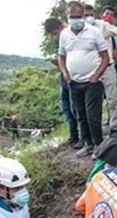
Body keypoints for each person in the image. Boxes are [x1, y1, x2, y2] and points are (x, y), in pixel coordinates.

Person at [58, 1, 110, 157]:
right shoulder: (64, 34)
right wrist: (66, 74)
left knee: (93, 116)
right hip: (74, 82)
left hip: (92, 82)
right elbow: (61, 57)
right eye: (72, 17)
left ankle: (99, 147)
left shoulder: (94, 32)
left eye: (78, 16)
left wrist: (96, 76)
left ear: (83, 16)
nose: (76, 20)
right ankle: (88, 144)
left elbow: (105, 57)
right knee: (80, 115)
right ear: (67, 17)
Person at [83, 4, 117, 129]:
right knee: (93, 101)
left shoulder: (103, 26)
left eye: (91, 15)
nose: (88, 18)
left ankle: (114, 126)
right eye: (86, 15)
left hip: (107, 67)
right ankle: (94, 128)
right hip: (91, 70)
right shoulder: (78, 31)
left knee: (111, 99)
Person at [45, 18, 82, 149]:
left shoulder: (74, 35)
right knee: (67, 109)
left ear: (61, 26)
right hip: (64, 76)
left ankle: (83, 138)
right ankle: (73, 136)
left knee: (76, 109)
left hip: (74, 77)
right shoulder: (62, 39)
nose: (55, 36)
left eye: (55, 33)